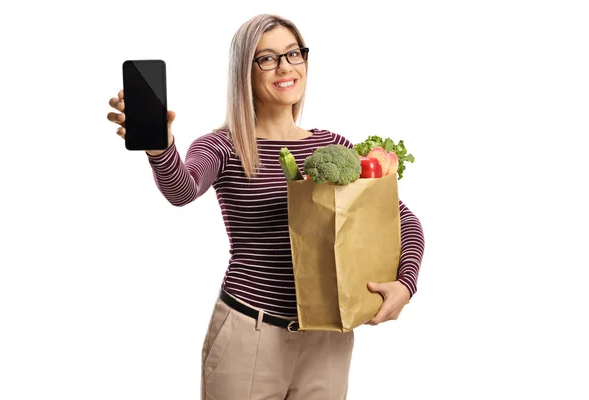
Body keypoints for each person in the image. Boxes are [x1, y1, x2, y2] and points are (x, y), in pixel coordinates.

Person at [107, 13, 424, 400]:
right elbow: (183, 189)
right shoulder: (223, 146)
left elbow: (399, 217)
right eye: (267, 58)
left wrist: (405, 284)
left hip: (328, 340)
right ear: (245, 71)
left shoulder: (333, 145)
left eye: (293, 54)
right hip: (249, 335)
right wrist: (160, 148)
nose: (285, 67)